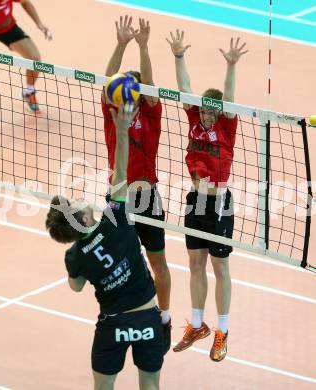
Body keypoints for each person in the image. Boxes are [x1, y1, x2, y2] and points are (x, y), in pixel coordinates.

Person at [46, 103, 164, 390]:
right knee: (150, 385)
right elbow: (120, 169)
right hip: (148, 317)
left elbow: (75, 286)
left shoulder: (74, 256)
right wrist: (122, 130)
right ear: (85, 217)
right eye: (76, 203)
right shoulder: (115, 218)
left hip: (113, 325)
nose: (79, 199)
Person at [167, 30, 248, 361]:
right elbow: (185, 89)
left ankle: (222, 331)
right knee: (195, 263)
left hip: (219, 202)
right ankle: (198, 325)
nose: (207, 115)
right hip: (194, 200)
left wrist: (230, 66)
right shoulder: (194, 116)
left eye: (212, 112)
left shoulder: (227, 125)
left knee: (221, 266)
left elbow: (228, 99)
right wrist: (178, 56)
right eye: (204, 111)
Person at [101, 15, 172, 351]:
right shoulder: (114, 112)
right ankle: (117, 314)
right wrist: (121, 43)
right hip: (118, 199)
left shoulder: (152, 111)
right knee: (115, 263)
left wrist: (143, 46)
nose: (128, 90)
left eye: (135, 86)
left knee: (157, 262)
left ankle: (165, 318)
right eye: (125, 85)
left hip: (148, 198)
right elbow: (107, 81)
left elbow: (151, 84)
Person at [0, 0, 52, 113]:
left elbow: (25, 2)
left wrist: (39, 23)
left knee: (34, 59)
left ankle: (29, 92)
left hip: (8, 29)